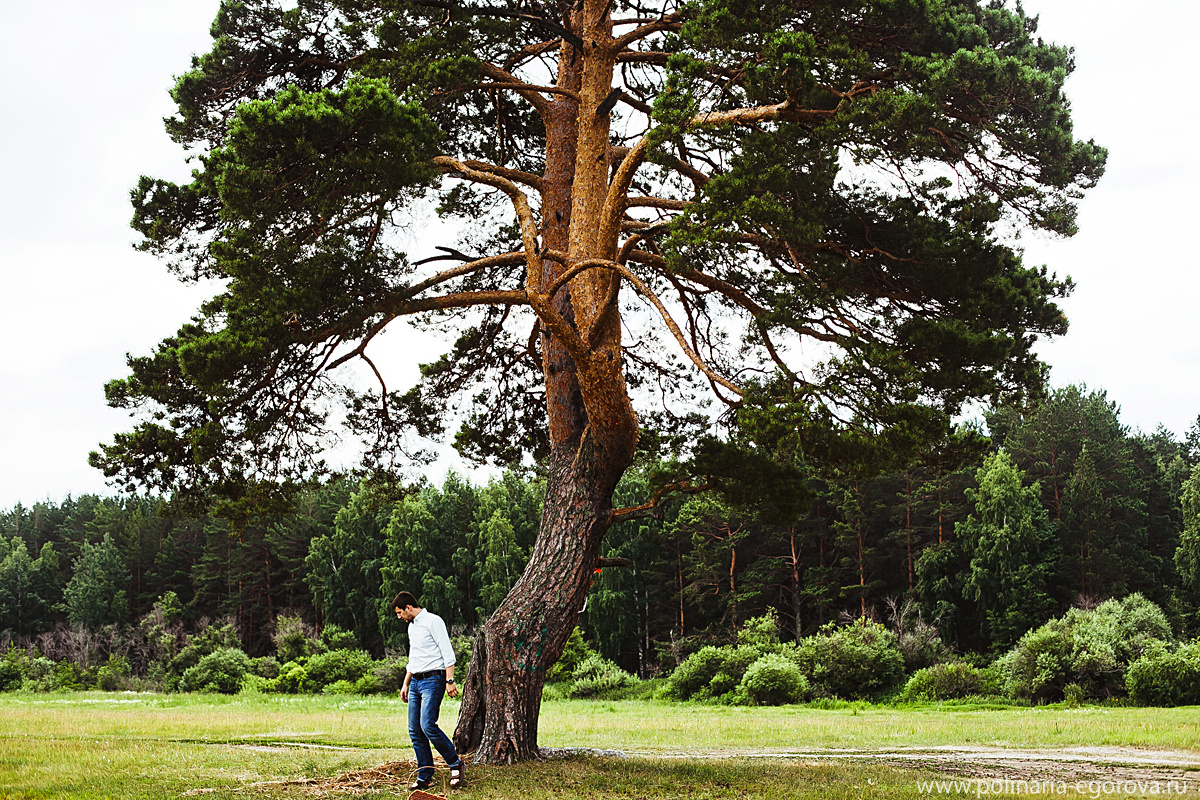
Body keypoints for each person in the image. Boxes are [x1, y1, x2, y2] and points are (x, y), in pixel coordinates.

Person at [393, 591, 465, 790]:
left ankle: (455, 763)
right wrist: (406, 683)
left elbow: (447, 653)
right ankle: (425, 776)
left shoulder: (434, 621)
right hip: (415, 681)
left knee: (428, 725)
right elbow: (414, 657)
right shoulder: (412, 627)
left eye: (400, 613)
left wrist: (450, 680)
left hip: (433, 680)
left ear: (408, 608)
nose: (399, 617)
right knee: (415, 731)